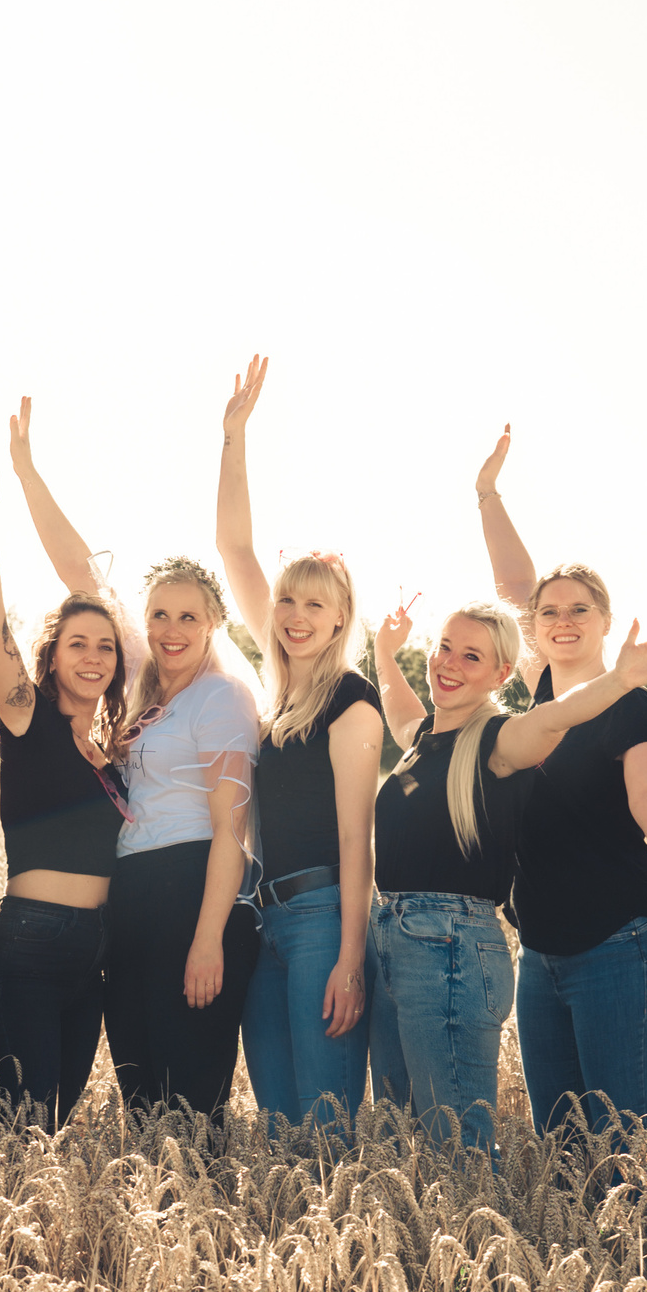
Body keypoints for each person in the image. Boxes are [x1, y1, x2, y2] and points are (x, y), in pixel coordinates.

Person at [473, 425, 647, 1143]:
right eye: (549, 612)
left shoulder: (629, 701)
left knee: (621, 1144)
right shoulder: (533, 692)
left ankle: (640, 1259)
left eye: (578, 610)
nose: (561, 620)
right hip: (541, 954)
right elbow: (511, 586)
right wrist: (488, 495)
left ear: (605, 623)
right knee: (559, 1147)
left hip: (618, 946)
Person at [11, 395, 260, 1121]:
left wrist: (209, 935)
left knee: (190, 1100)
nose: (172, 628)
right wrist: (27, 473)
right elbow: (81, 573)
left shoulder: (220, 700)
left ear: (214, 622)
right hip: (132, 900)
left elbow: (230, 833)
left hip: (194, 894)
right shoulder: (148, 686)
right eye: (159, 614)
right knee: (142, 1097)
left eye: (189, 615)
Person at [369, 601, 647, 1153]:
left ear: (500, 675)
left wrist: (618, 680)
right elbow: (400, 708)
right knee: (403, 1133)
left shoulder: (499, 741)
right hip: (391, 940)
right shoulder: (423, 739)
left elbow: (553, 718)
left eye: (472, 656)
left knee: (457, 1144)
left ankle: (477, 1236)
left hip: (450, 947)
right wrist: (382, 652)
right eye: (445, 647)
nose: (449, 663)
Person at [212, 355, 381, 1129]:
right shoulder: (280, 690)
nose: (295, 613)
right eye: (288, 599)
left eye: (316, 603)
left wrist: (351, 957)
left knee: (326, 1122)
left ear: (341, 618)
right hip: (263, 918)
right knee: (281, 1121)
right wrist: (234, 437)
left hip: (320, 920)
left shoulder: (351, 701)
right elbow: (235, 549)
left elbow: (357, 838)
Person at [0, 426, 127, 1129]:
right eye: (77, 643)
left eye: (106, 646)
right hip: (27, 942)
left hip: (95, 952)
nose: (93, 656)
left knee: (51, 1127)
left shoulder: (112, 754)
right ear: (52, 658)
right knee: (24, 1129)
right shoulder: (29, 722)